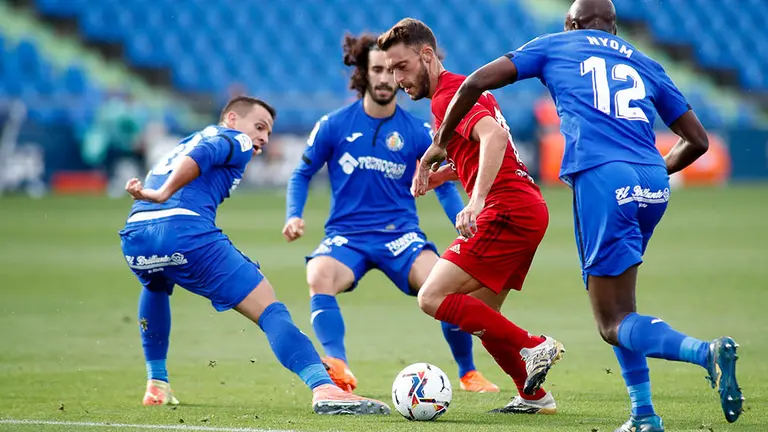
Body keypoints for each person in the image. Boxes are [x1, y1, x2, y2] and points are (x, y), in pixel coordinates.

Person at [422, 0, 743, 429]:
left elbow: (476, 81)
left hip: (602, 181)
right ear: (611, 27)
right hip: (651, 182)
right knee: (623, 307)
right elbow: (698, 141)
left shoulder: (558, 44)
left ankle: (704, 353)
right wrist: (652, 172)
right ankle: (643, 415)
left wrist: (442, 139)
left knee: (611, 320)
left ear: (572, 23)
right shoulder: (644, 60)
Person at [119, 96, 390, 416]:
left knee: (155, 286)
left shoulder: (187, 140)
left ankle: (157, 384)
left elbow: (197, 155)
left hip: (136, 238)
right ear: (232, 119)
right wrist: (164, 194)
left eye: (269, 132)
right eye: (259, 127)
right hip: (183, 231)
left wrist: (159, 195)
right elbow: (206, 154)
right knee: (270, 309)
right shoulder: (235, 138)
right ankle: (324, 387)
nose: (262, 137)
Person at [283, 33, 499, 393]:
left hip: (401, 236)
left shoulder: (417, 131)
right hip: (347, 236)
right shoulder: (334, 124)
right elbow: (301, 173)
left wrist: (465, 220)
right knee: (318, 272)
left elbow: (443, 185)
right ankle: (337, 365)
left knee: (445, 286)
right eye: (377, 70)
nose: (385, 78)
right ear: (364, 74)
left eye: (391, 70)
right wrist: (294, 214)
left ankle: (467, 372)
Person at [378, 19, 565, 414]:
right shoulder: (462, 89)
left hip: (507, 209)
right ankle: (533, 396)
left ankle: (535, 345)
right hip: (526, 207)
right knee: (481, 314)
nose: (397, 79)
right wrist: (442, 173)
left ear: (426, 55)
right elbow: (479, 150)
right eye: (391, 70)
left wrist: (476, 201)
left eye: (400, 67)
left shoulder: (448, 96)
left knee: (431, 297)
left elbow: (494, 139)